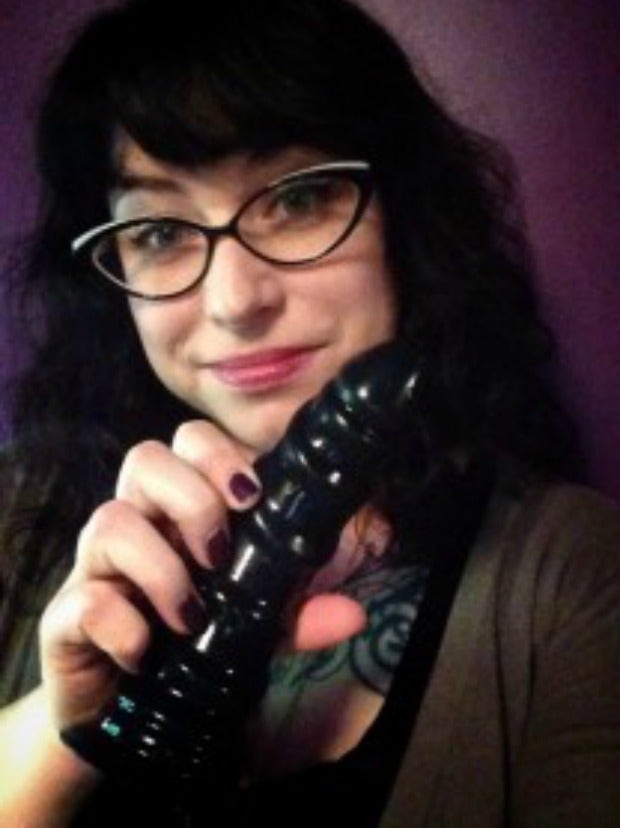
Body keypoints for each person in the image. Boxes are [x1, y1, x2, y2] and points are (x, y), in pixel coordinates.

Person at [0, 0, 618, 824]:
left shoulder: (571, 573)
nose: (235, 302)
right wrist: (65, 729)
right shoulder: (18, 515)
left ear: (403, 215)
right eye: (157, 232)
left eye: (297, 200)